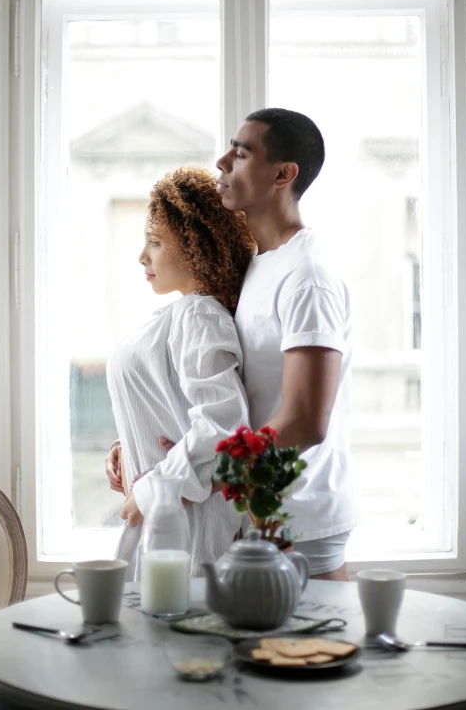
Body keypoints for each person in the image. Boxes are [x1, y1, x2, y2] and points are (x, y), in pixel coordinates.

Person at [213, 108, 359, 580]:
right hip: (264, 508)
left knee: (314, 652)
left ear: (282, 173)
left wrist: (206, 469)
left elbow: (305, 420)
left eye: (239, 153)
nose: (221, 162)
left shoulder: (307, 278)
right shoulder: (262, 263)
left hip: (301, 515)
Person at [106, 165, 256, 579]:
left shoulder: (199, 315)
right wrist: (130, 442)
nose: (143, 256)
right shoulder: (182, 315)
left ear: (195, 247)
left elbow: (223, 425)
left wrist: (155, 491)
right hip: (171, 521)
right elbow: (176, 405)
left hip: (187, 529)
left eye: (155, 243)